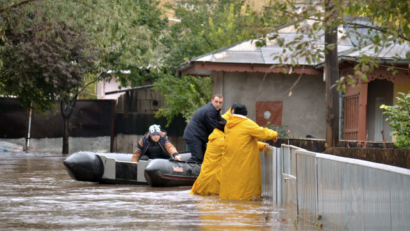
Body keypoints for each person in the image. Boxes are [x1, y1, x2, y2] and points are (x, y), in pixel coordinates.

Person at [190, 104, 267, 196]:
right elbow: (237, 142)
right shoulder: (220, 140)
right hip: (212, 182)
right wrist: (261, 145)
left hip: (206, 180)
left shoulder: (216, 137)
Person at [219, 103, 277, 201]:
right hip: (244, 164)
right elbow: (262, 133)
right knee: (246, 194)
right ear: (245, 114)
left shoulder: (228, 125)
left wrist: (261, 146)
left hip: (230, 163)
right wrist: (274, 133)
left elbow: (240, 141)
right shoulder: (247, 123)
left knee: (231, 194)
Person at [183, 94, 224, 162]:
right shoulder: (210, 110)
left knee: (204, 157)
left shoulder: (215, 111)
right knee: (197, 157)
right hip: (194, 136)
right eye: (216, 102)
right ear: (212, 101)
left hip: (198, 136)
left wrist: (228, 124)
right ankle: (182, 170)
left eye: (220, 102)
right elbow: (214, 127)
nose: (218, 104)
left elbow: (220, 121)